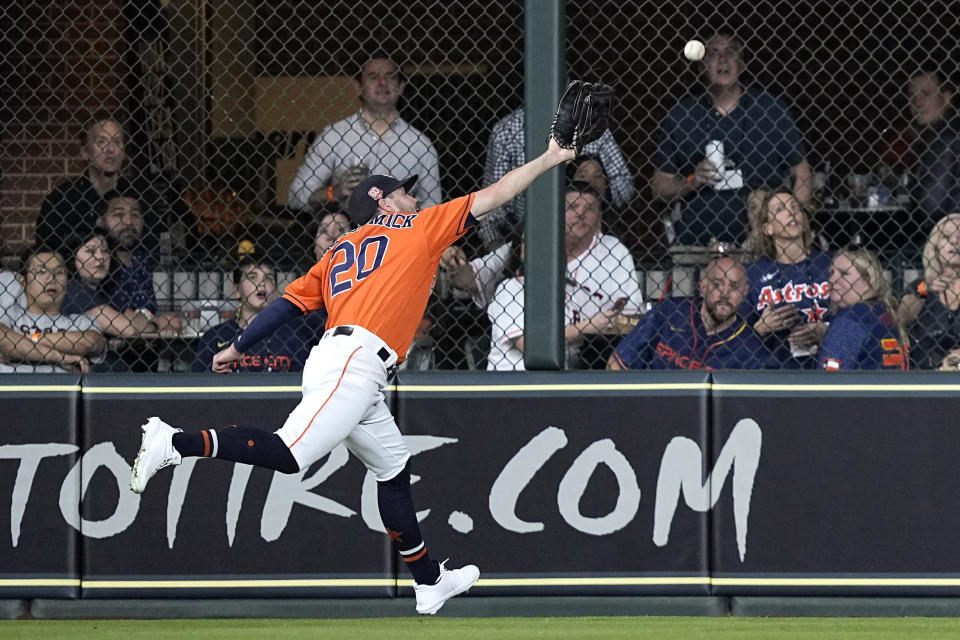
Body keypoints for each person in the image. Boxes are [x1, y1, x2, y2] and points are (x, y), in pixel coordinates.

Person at [130, 114, 587, 614]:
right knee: (289, 454)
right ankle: (172, 442)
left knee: (392, 466)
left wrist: (241, 344)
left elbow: (286, 304)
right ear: (383, 201)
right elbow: (497, 193)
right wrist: (551, 157)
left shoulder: (340, 250)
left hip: (352, 363)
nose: (415, 197)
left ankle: (429, 581)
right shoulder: (418, 226)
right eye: (405, 192)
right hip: (355, 361)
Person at [649, 31, 812, 247]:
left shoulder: (769, 109)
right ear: (701, 66)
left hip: (763, 241)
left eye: (730, 53)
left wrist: (792, 226)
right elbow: (659, 187)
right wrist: (691, 181)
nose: (723, 59)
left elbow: (802, 173)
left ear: (741, 65)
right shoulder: (681, 116)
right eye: (714, 53)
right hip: (697, 240)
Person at [485, 181, 644, 370]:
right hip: (512, 386)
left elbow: (626, 321)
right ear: (522, 252)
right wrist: (587, 327)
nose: (540, 249)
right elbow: (532, 347)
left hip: (557, 386)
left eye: (547, 243)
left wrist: (608, 321)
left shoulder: (571, 294)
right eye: (530, 243)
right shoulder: (511, 288)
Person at [287, 55, 442, 211]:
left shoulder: (420, 145)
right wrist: (334, 192)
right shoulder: (334, 136)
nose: (382, 83)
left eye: (390, 76)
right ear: (357, 87)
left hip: (400, 233)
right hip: (349, 233)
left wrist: (409, 213)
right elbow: (296, 195)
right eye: (373, 77)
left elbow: (433, 208)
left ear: (401, 86)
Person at [478, 106, 634, 251]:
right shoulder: (508, 129)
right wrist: (504, 254)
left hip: (591, 231)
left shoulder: (591, 125)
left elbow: (623, 184)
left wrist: (592, 191)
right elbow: (491, 207)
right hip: (527, 233)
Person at [35, 113, 182, 255]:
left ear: (123, 152)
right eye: (102, 142)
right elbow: (46, 251)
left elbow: (157, 245)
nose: (110, 150)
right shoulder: (62, 199)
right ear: (85, 152)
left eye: (117, 142)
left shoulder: (142, 195)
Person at [608, 256, 773, 370]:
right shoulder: (668, 312)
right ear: (703, 287)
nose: (725, 292)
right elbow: (617, 364)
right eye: (717, 284)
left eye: (734, 286)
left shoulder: (751, 347)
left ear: (745, 292)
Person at [742, 188, 831, 368]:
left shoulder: (832, 264)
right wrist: (761, 328)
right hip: (773, 369)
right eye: (780, 209)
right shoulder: (753, 274)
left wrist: (828, 330)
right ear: (767, 228)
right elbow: (733, 336)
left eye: (795, 207)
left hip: (830, 365)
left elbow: (861, 317)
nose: (791, 212)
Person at [193, 258, 313, 373]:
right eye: (252, 277)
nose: (261, 283)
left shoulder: (293, 336)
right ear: (236, 290)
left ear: (275, 289)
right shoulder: (215, 337)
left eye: (268, 278)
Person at [0, 247, 104, 373]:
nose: (51, 278)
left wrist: (22, 340)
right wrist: (59, 357)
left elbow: (89, 342)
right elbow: (3, 340)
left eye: (59, 272)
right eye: (42, 271)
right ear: (23, 282)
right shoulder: (8, 314)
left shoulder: (81, 321)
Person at [97, 193, 183, 333]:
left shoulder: (142, 260)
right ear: (100, 221)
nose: (129, 222)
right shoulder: (97, 263)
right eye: (119, 215)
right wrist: (156, 323)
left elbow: (147, 312)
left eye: (135, 215)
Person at [819, 248, 908, 370]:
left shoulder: (851, 319)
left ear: (868, 279)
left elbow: (828, 381)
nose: (832, 280)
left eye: (844, 274)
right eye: (831, 273)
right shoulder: (881, 311)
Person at [898, 214, 960, 369]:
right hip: (924, 378)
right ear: (936, 246)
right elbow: (901, 318)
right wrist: (925, 289)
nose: (954, 241)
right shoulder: (921, 286)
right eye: (946, 236)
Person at [907, 66, 960, 232]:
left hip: (948, 236)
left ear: (946, 97)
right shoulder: (940, 134)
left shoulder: (946, 137)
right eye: (912, 96)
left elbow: (932, 205)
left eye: (926, 94)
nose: (917, 102)